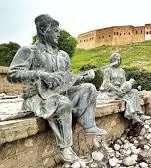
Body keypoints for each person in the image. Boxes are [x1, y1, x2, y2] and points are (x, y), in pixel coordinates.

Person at [7, 14, 107, 163]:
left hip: (59, 94)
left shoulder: (63, 55)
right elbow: (12, 75)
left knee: (89, 88)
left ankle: (89, 125)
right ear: (42, 30)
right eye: (55, 30)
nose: (59, 33)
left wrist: (83, 77)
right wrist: (40, 74)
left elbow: (67, 81)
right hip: (38, 97)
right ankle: (66, 147)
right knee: (63, 103)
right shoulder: (29, 50)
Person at [98, 53, 150, 124]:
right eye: (116, 59)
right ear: (112, 60)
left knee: (134, 92)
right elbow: (107, 83)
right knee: (128, 97)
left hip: (121, 90)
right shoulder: (107, 70)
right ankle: (134, 115)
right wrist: (117, 90)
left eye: (119, 60)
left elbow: (124, 83)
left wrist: (127, 87)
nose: (118, 61)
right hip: (112, 91)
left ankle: (140, 114)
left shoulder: (122, 71)